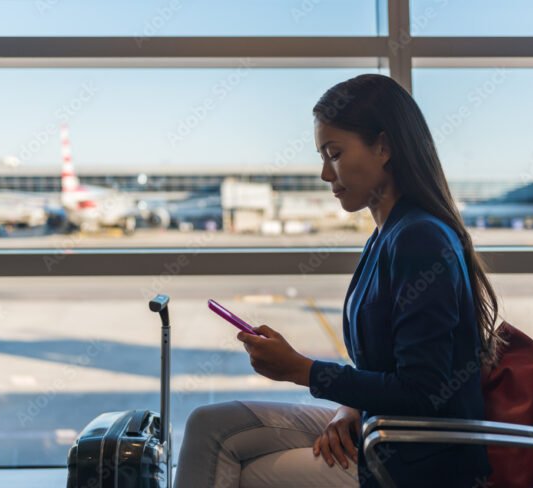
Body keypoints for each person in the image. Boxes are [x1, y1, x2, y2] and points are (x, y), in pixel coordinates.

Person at [174, 74, 504, 488]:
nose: (324, 174)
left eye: (334, 154)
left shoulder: (420, 239)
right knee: (209, 426)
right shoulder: (387, 235)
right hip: (379, 428)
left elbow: (423, 392)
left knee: (238, 467)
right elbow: (387, 369)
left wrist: (303, 370)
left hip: (416, 462)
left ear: (383, 147)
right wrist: (349, 406)